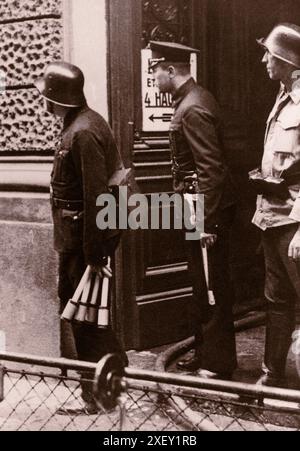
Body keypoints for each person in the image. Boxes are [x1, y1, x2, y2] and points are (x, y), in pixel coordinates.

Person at [35, 61, 127, 414]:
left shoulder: (83, 131)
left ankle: (101, 395)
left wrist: (95, 253)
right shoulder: (80, 124)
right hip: (77, 241)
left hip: (83, 244)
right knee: (86, 317)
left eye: (47, 96)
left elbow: (95, 196)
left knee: (88, 320)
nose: (45, 102)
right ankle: (107, 388)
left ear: (57, 97)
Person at [149, 41, 237, 380]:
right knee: (202, 282)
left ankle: (216, 363)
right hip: (195, 204)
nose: (154, 76)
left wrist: (208, 221)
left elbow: (211, 169)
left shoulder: (194, 107)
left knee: (211, 282)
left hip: (204, 208)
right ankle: (205, 353)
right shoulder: (191, 100)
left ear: (171, 71)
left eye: (155, 69)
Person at [252, 23, 300, 388]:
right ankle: (273, 374)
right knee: (277, 298)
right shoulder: (284, 96)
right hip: (272, 213)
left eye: (269, 54)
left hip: (294, 217)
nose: (264, 59)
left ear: (286, 59)